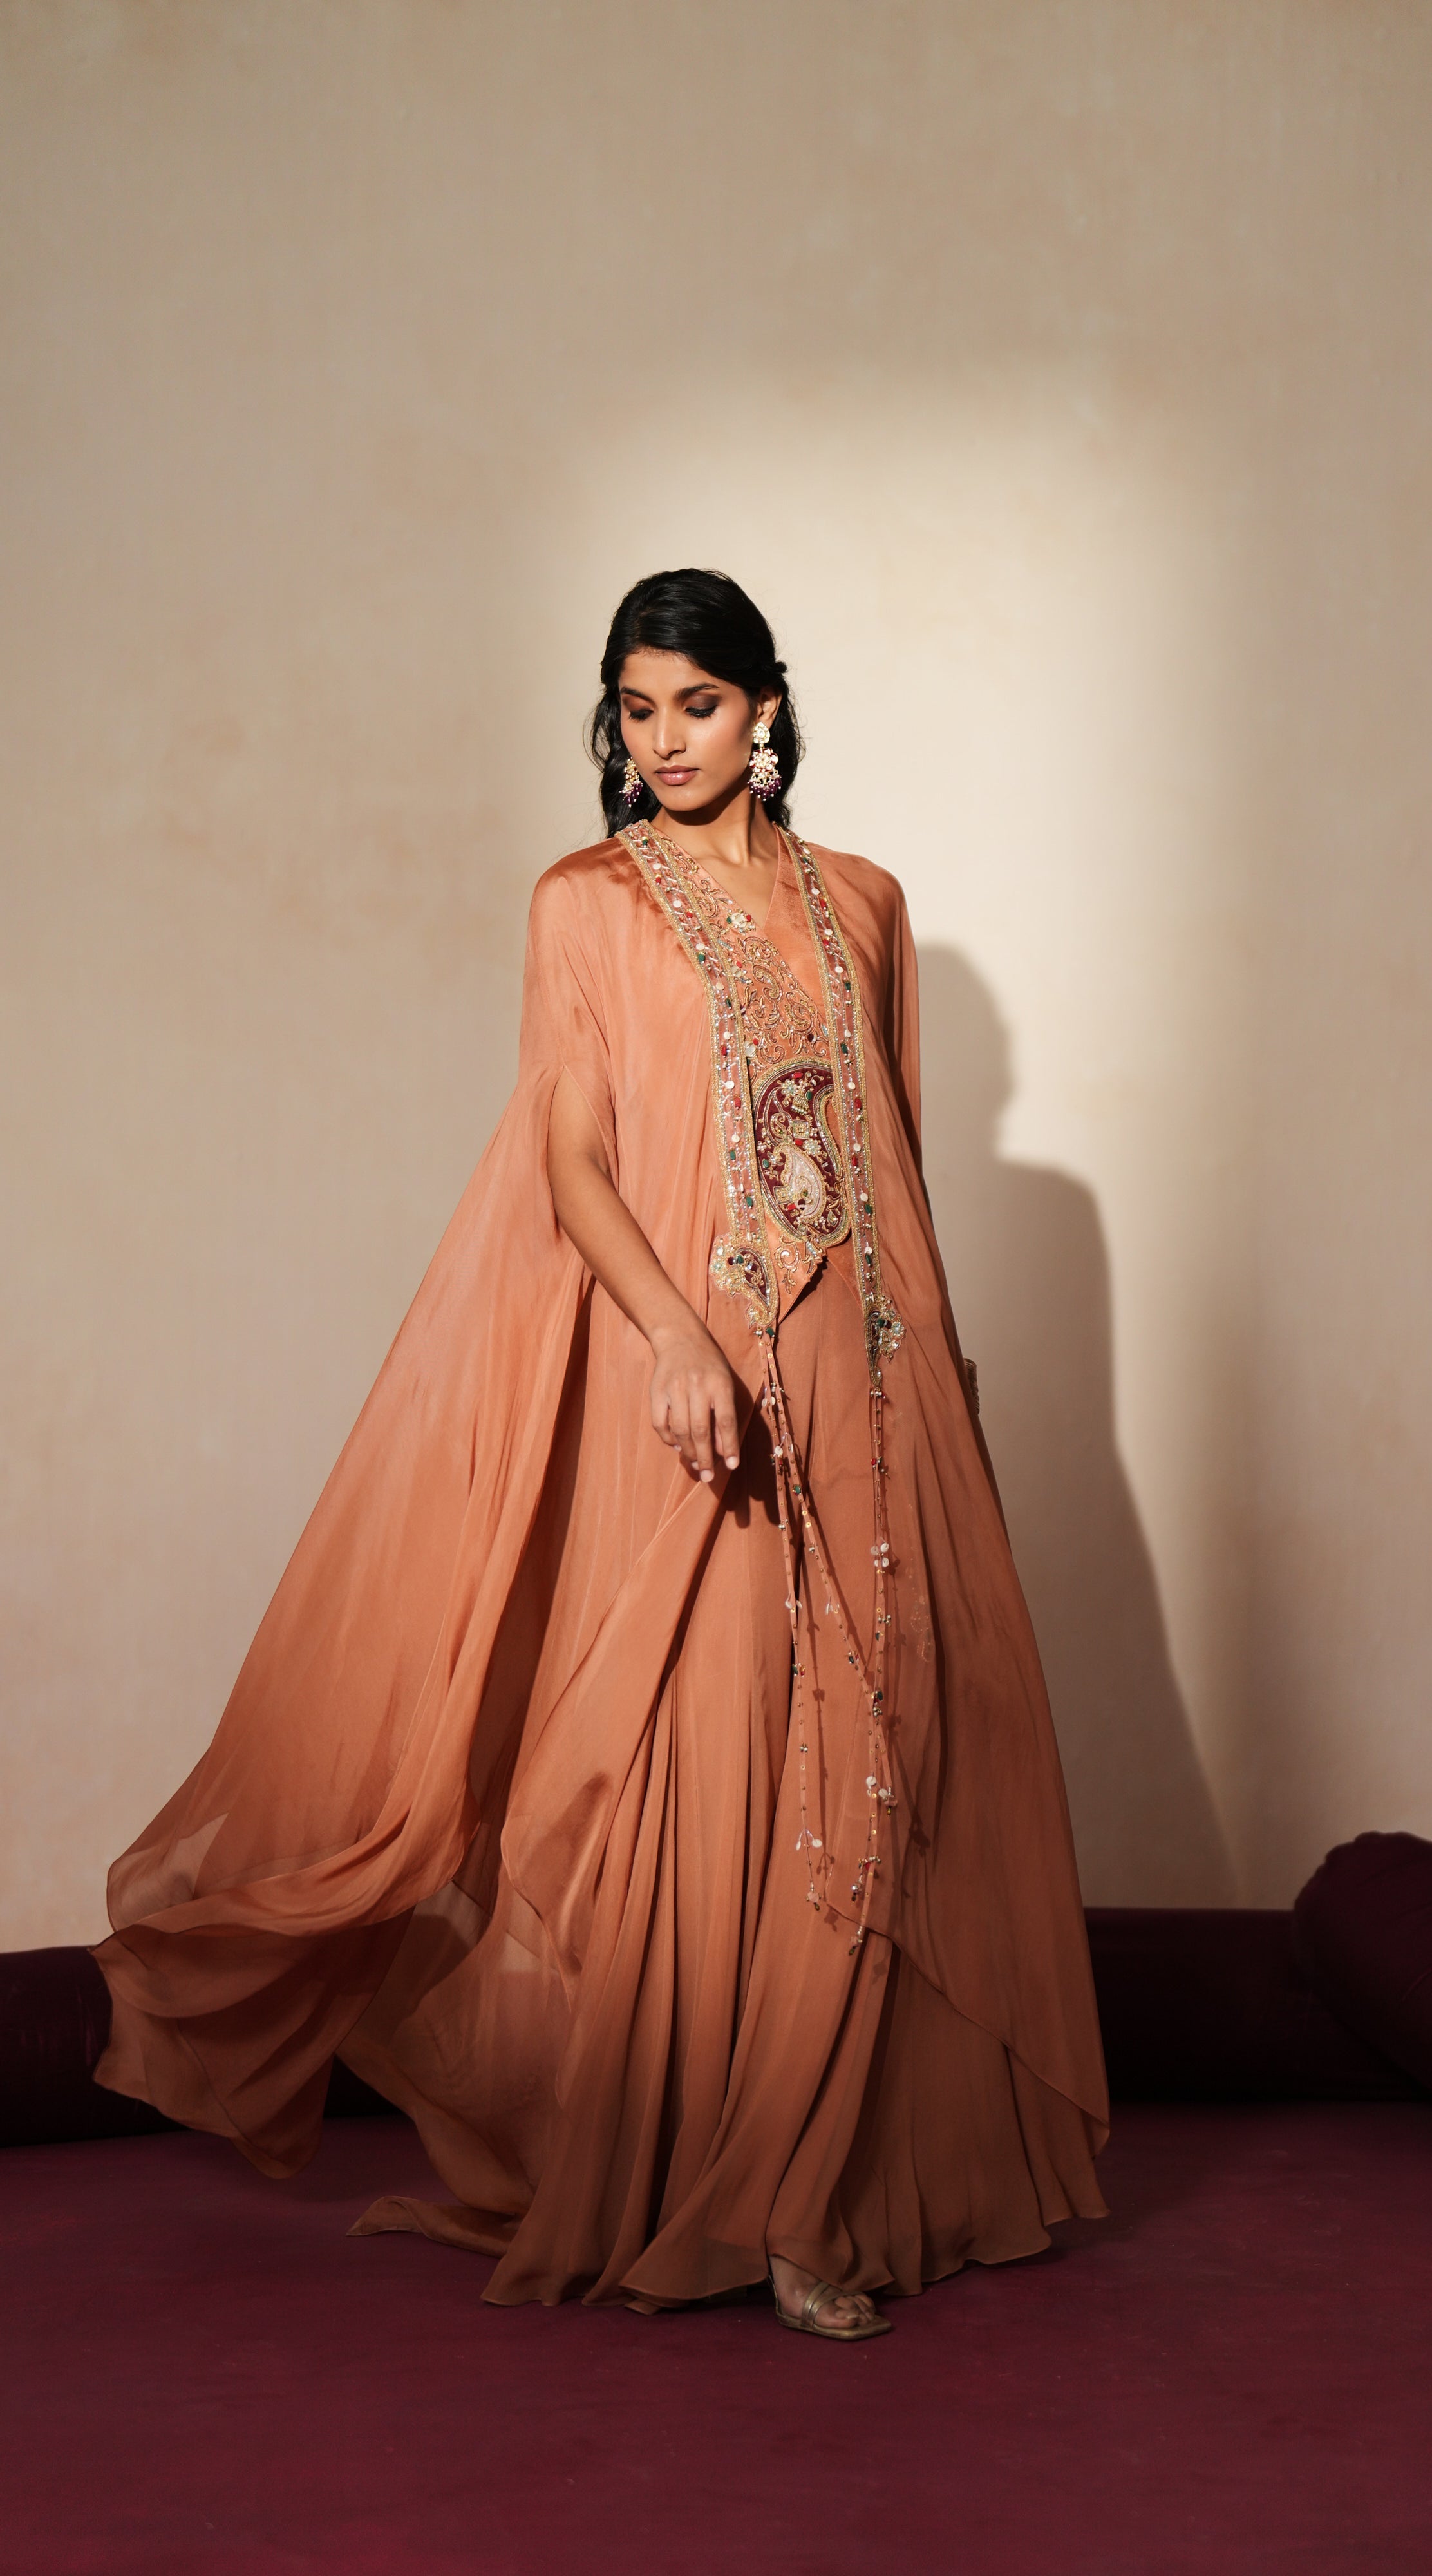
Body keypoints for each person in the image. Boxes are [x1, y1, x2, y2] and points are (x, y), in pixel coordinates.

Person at [96, 569, 1108, 2342]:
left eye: (698, 708)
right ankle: (746, 2191)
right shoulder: (586, 906)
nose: (665, 742)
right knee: (726, 1762)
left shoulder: (861, 903)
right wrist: (673, 1337)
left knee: (880, 1752)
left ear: (767, 709)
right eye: (636, 711)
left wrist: (936, 1387)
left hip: (872, 1387)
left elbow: (899, 1174)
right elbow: (570, 1158)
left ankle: (833, 2192)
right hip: (702, 1380)